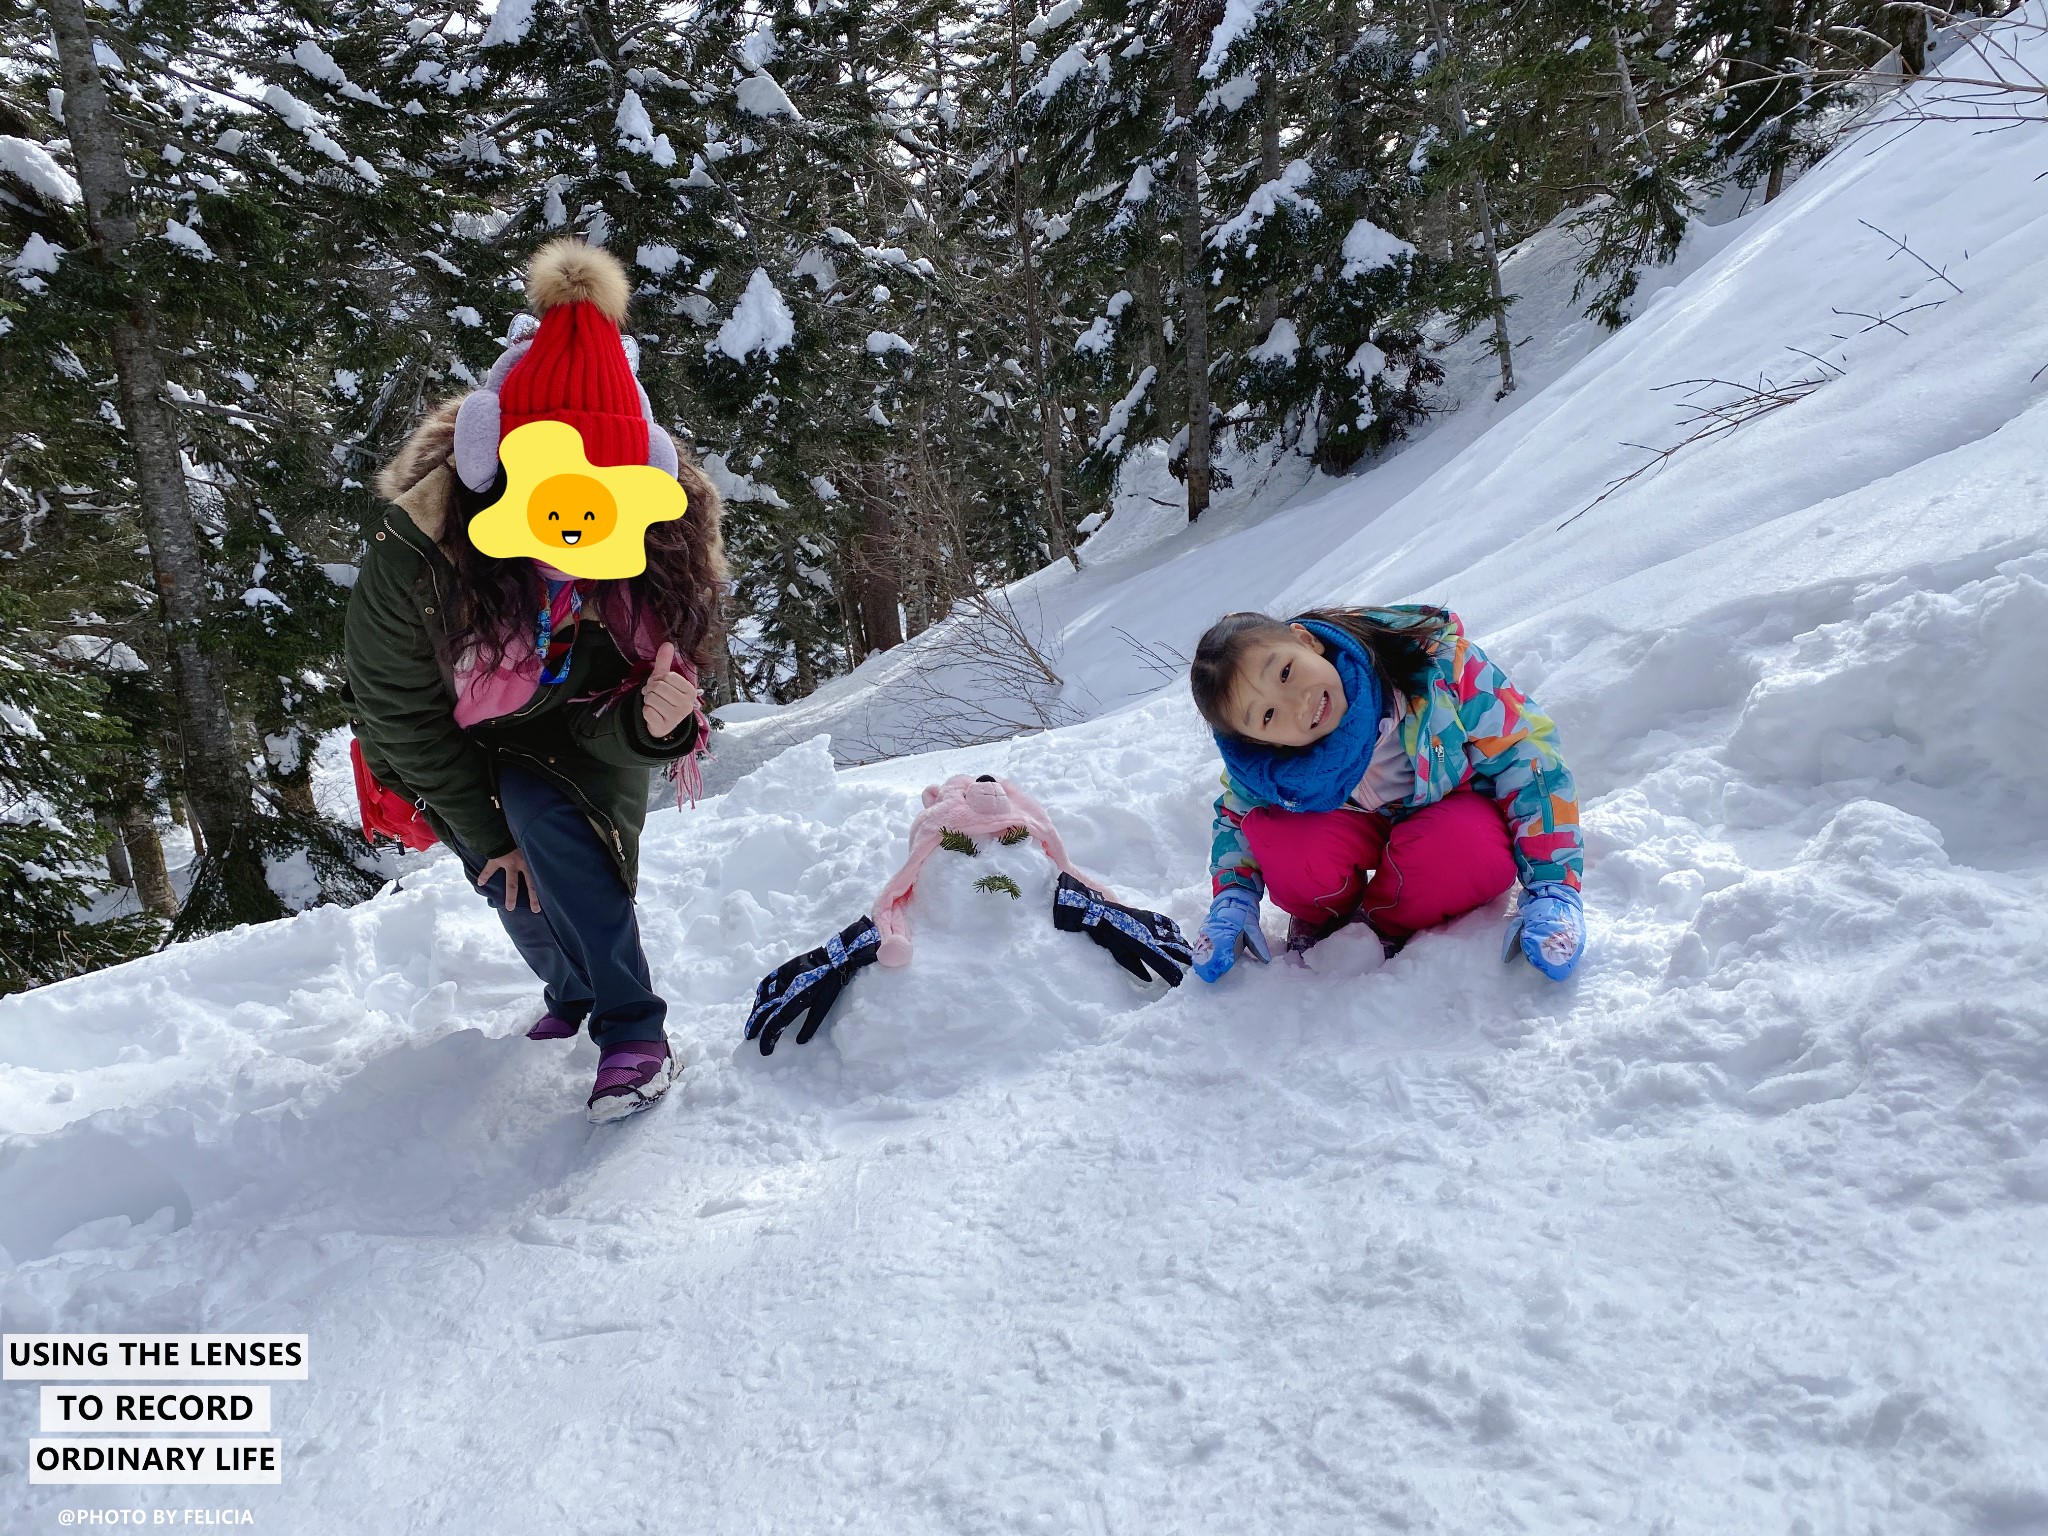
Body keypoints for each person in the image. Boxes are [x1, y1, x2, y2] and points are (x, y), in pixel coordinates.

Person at [345, 240, 724, 1121]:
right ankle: (572, 989)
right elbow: (400, 714)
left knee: (556, 822)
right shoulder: (419, 554)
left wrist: (660, 722)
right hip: (458, 731)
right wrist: (483, 837)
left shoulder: (663, 543)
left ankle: (633, 1029)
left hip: (587, 721)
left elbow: (662, 686)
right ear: (494, 466)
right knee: (507, 868)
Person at [1184, 605, 1585, 984]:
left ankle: (1390, 917)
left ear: (1306, 640)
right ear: (1257, 740)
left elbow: (1530, 760)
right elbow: (1238, 815)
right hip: (1349, 822)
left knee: (1466, 849)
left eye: (1286, 672)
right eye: (1268, 715)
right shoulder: (1268, 764)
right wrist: (1233, 901)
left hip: (1449, 810)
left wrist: (1553, 884)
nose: (1298, 704)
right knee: (1288, 843)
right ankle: (1327, 917)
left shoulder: (1439, 670)